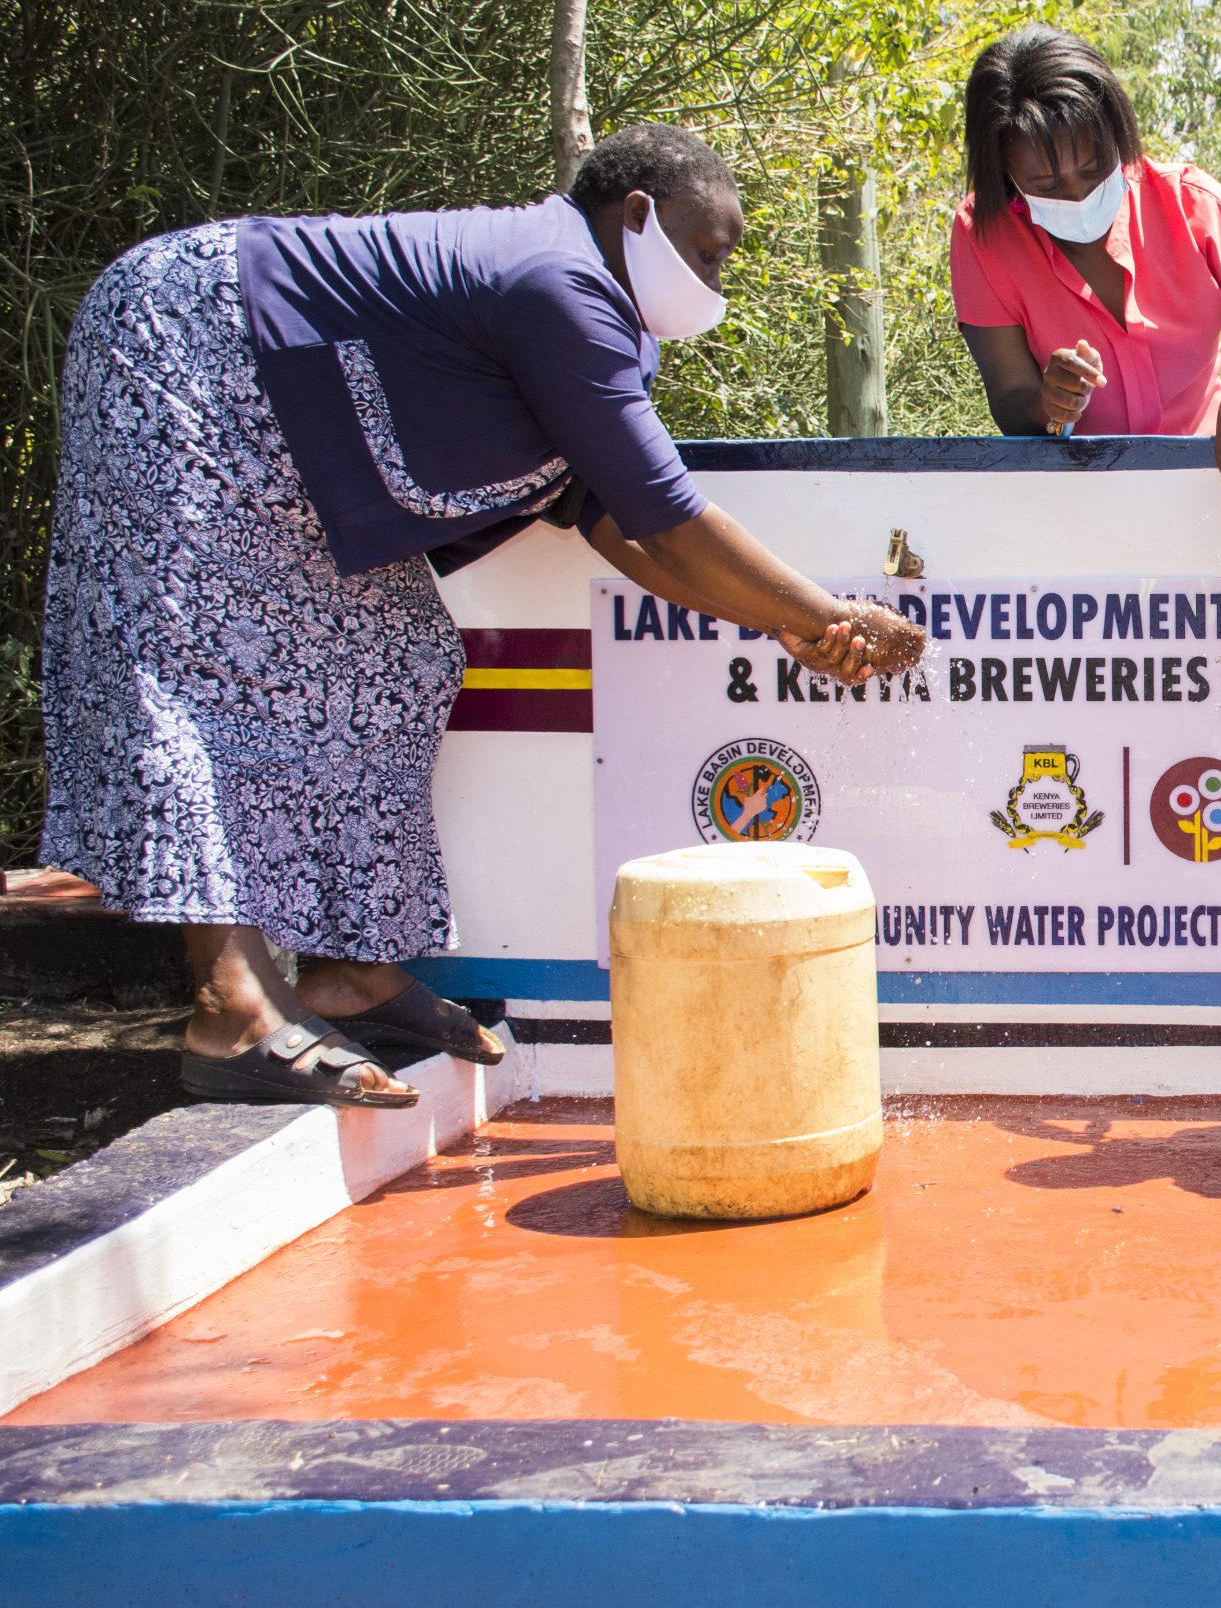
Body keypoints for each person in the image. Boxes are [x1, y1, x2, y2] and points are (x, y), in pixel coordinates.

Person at [40, 122, 925, 1110]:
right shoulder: (559, 285)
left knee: (398, 656)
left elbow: (604, 521)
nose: (717, 276)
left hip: (280, 427)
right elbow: (664, 515)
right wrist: (817, 610)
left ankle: (349, 966)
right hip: (188, 346)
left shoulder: (612, 328)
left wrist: (787, 626)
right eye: (707, 248)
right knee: (208, 657)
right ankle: (231, 1007)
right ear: (638, 215)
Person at [948, 25, 1221, 495]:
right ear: (1005, 177)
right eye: (1047, 186)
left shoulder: (1190, 202)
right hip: (1080, 498)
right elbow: (1011, 401)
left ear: (1118, 138)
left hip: (1212, 482)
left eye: (1094, 170)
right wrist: (1049, 403)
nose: (1078, 194)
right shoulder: (982, 235)